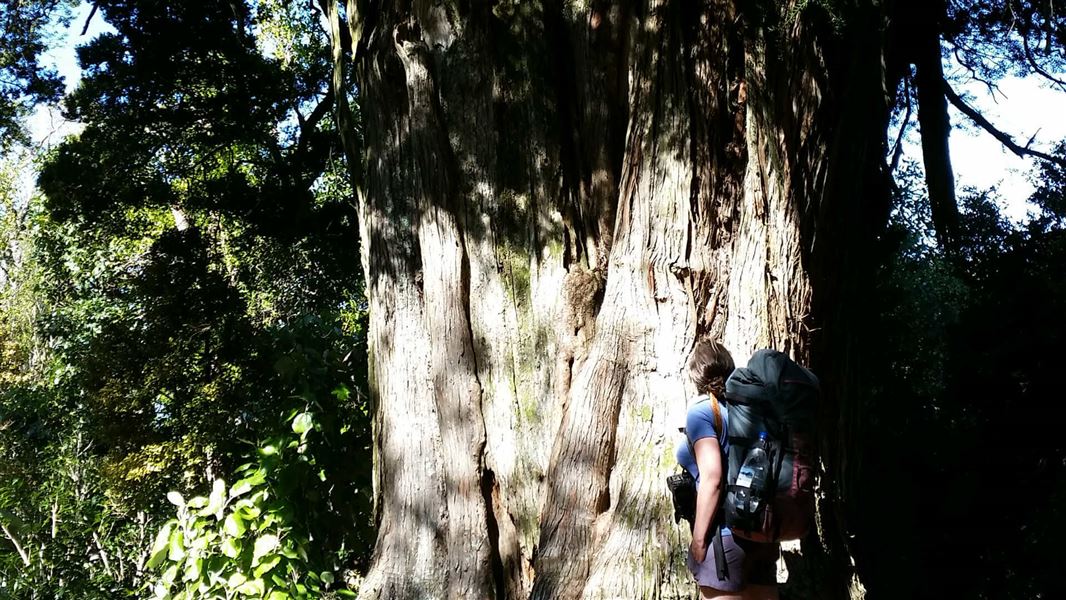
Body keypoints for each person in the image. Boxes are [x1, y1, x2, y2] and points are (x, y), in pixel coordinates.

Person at [677, 338, 781, 600]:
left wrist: (699, 541)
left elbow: (712, 478)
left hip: (723, 539)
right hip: (762, 534)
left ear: (696, 375)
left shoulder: (702, 413)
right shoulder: (750, 411)